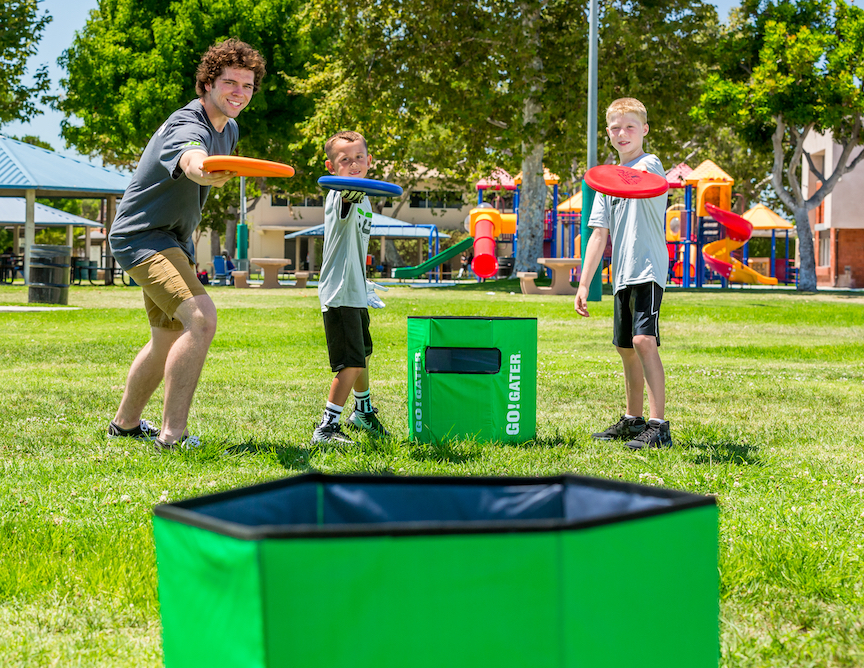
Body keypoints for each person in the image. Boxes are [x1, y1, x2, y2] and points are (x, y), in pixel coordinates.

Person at [106, 39, 266, 450]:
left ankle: (124, 425)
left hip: (173, 241)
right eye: (230, 83)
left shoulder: (229, 129)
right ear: (208, 83)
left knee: (168, 336)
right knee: (202, 320)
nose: (239, 93)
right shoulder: (188, 123)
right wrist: (202, 169)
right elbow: (190, 157)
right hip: (142, 237)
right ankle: (172, 438)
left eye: (247, 86)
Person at [574, 97, 672, 450]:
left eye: (630, 126)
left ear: (644, 130)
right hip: (622, 273)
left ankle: (659, 426)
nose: (622, 133)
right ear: (608, 133)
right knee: (625, 347)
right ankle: (633, 420)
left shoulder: (651, 164)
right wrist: (584, 284)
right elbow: (598, 234)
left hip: (648, 267)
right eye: (615, 128)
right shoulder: (606, 183)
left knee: (644, 341)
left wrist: (621, 175)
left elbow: (647, 182)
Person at [312, 130, 390, 444]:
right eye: (345, 160)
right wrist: (347, 189)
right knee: (351, 361)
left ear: (369, 160)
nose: (354, 164)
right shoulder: (343, 195)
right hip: (339, 291)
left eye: (359, 158)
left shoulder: (365, 196)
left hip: (355, 288)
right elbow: (346, 198)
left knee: (364, 355)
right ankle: (327, 427)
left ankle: (363, 412)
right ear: (332, 169)